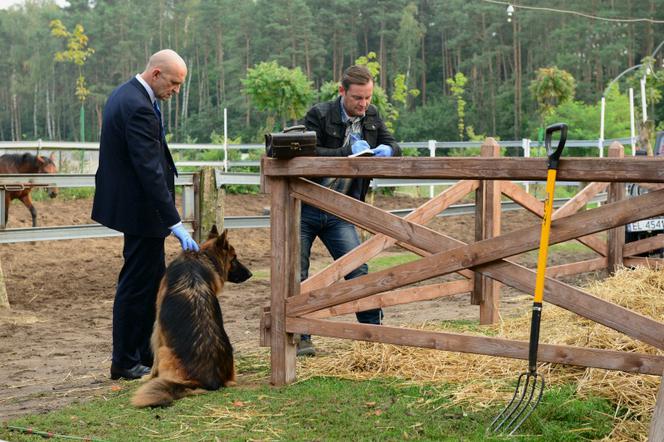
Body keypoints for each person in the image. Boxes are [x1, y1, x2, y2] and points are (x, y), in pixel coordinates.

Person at [91, 49, 199, 380]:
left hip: (139, 209)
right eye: (174, 83)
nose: (176, 90)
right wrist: (175, 221)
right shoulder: (137, 106)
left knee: (150, 282)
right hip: (141, 211)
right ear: (155, 74)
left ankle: (142, 353)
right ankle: (124, 360)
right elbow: (149, 170)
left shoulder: (128, 94)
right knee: (137, 285)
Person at [299, 65, 401, 356]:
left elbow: (393, 142)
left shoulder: (372, 115)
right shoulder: (318, 115)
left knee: (358, 269)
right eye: (358, 98)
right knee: (298, 273)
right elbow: (307, 152)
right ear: (341, 91)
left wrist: (389, 151)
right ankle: (300, 336)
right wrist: (348, 154)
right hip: (306, 204)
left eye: (368, 97)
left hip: (341, 208)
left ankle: (373, 333)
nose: (364, 104)